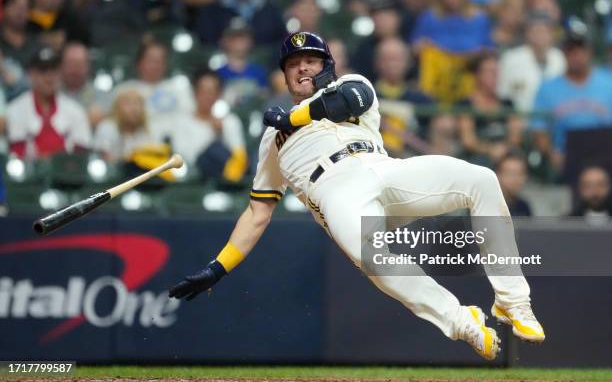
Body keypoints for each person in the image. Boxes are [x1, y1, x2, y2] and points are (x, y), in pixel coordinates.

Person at [168, 31, 545, 360]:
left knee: (480, 179)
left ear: (328, 66)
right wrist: (218, 267)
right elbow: (257, 213)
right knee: (372, 257)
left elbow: (348, 100)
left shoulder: (349, 84)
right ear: (283, 74)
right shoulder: (273, 139)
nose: (302, 69)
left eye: (311, 61)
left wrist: (292, 118)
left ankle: (513, 301)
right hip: (336, 191)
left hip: (383, 168)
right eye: (294, 63)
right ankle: (462, 322)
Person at [532, 34, 612, 171]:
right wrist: (552, 154)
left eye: (581, 51)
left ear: (589, 53)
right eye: (572, 52)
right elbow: (539, 129)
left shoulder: (608, 81)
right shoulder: (548, 87)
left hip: (606, 149)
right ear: (564, 54)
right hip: (566, 152)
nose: (577, 57)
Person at [155, 68, 248, 183]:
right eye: (203, 91)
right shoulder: (180, 121)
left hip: (223, 181)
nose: (207, 96)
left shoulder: (230, 121)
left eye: (212, 91)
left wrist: (220, 134)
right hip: (192, 180)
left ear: (219, 94)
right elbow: (184, 156)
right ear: (195, 92)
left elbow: (239, 158)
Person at [6, 46, 91, 159]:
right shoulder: (16, 109)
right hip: (30, 174)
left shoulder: (76, 110)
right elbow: (17, 154)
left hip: (68, 174)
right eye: (43, 71)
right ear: (31, 74)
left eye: (54, 71)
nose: (49, 78)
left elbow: (82, 154)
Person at [456, 52, 523, 167]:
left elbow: (515, 136)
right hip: (476, 159)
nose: (494, 76)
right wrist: (490, 149)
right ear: (476, 74)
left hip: (506, 156)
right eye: (488, 71)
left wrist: (504, 148)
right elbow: (468, 141)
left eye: (496, 72)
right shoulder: (465, 104)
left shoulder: (508, 103)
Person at [498, 11, 565, 113]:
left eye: (544, 31)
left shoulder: (560, 57)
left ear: (551, 34)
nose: (540, 35)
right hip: (520, 119)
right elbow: (502, 92)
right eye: (535, 31)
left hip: (555, 118)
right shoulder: (511, 58)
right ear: (527, 33)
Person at [113, 41, 195, 124]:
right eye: (151, 60)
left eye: (160, 60)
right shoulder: (124, 90)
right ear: (139, 63)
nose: (155, 65)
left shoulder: (179, 89)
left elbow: (190, 117)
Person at [93, 89, 156, 163]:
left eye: (138, 103)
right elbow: (102, 157)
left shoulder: (145, 132)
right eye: (128, 103)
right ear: (117, 107)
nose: (134, 108)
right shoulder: (107, 128)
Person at [60, 42, 110, 127]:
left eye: (79, 64)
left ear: (88, 66)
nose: (75, 70)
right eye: (71, 64)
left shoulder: (102, 96)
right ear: (61, 65)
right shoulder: (50, 93)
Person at [495, 152, 532, 216]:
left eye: (520, 174)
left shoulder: (524, 207)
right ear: (498, 175)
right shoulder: (486, 206)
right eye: (510, 173)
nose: (515, 179)